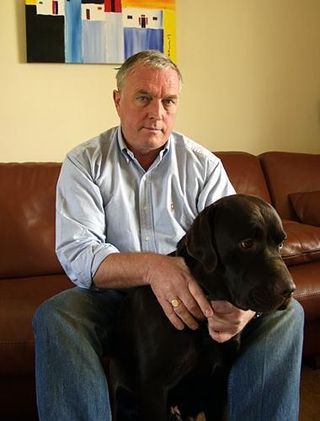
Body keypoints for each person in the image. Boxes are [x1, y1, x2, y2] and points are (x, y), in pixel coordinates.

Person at [33, 50, 304, 421]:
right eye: (143, 97)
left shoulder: (203, 165)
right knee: (56, 315)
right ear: (118, 101)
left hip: (193, 292)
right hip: (113, 295)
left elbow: (237, 245)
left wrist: (246, 308)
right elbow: (79, 255)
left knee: (287, 315)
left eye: (168, 100)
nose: (156, 112)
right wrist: (152, 268)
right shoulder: (84, 163)